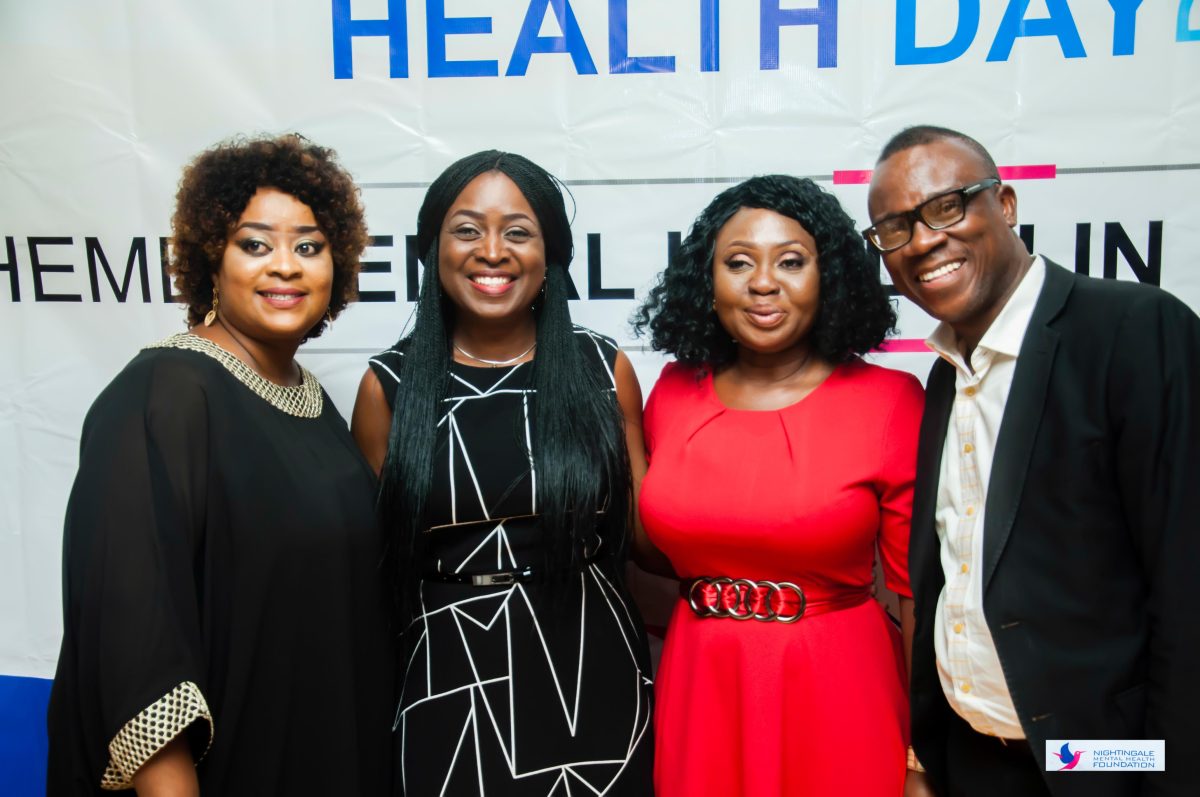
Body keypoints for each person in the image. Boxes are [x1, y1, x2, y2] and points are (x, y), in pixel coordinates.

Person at [46, 134, 393, 796]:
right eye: (254, 245)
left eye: (309, 247)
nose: (285, 266)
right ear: (212, 260)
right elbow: (136, 646)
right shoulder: (162, 395)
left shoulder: (313, 402)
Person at [865, 125, 1200, 797]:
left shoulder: (1134, 330)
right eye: (896, 228)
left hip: (1101, 764)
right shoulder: (945, 375)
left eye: (947, 206)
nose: (924, 240)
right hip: (974, 759)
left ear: (1007, 203)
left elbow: (1186, 583)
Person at [351, 150, 655, 796]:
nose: (492, 251)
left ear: (551, 255)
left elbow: (646, 536)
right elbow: (368, 571)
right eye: (466, 230)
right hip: (446, 682)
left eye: (518, 232)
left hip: (590, 673)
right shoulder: (390, 387)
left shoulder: (603, 370)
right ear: (433, 250)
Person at [634, 174, 925, 795]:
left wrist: (921, 755)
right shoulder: (674, 392)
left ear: (830, 277)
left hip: (838, 685)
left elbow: (914, 596)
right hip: (701, 685)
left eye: (791, 262)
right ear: (707, 281)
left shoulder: (891, 401)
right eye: (738, 262)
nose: (763, 282)